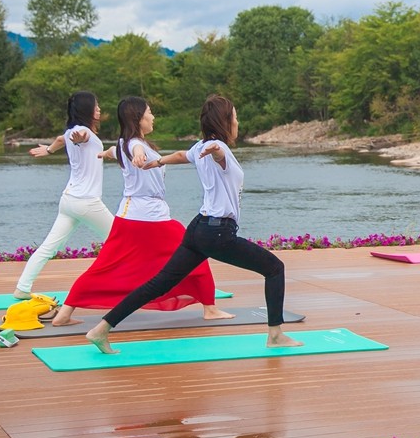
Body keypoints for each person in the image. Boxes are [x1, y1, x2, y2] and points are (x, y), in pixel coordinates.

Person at [85, 95, 302, 353]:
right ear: (225, 121)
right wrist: (216, 151)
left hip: (198, 229)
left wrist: (160, 161)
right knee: (274, 268)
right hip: (218, 233)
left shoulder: (201, 146)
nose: (237, 121)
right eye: (234, 117)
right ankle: (275, 335)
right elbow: (218, 155)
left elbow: (180, 154)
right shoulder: (216, 148)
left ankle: (102, 329)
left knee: (160, 283)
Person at [51, 96, 232, 326]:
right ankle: (210, 308)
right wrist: (137, 155)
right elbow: (135, 150)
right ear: (138, 118)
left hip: (128, 217)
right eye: (149, 112)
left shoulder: (124, 144)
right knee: (195, 253)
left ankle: (64, 314)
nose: (153, 116)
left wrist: (107, 153)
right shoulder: (135, 145)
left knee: (105, 266)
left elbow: (115, 151)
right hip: (151, 218)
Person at [14, 91, 114, 299]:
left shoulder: (72, 131)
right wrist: (78, 140)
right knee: (119, 241)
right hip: (87, 202)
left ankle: (22, 288)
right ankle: (109, 286)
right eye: (96, 106)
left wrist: (49, 151)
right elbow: (80, 138)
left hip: (69, 201)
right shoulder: (82, 132)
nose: (99, 109)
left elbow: (62, 138)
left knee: (48, 247)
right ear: (87, 110)